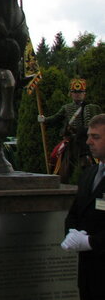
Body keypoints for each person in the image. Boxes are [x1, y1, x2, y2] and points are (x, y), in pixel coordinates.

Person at [62, 114, 105, 300]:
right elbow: (75, 211)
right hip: (89, 273)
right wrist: (71, 232)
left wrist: (90, 242)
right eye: (89, 136)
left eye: (96, 137)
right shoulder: (89, 174)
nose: (88, 141)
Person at [38, 78, 102, 168]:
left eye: (80, 92)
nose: (77, 94)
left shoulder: (92, 108)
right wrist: (44, 119)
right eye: (75, 92)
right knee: (54, 155)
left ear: (84, 94)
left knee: (98, 155)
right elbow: (56, 118)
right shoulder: (66, 107)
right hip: (70, 139)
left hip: (86, 139)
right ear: (71, 94)